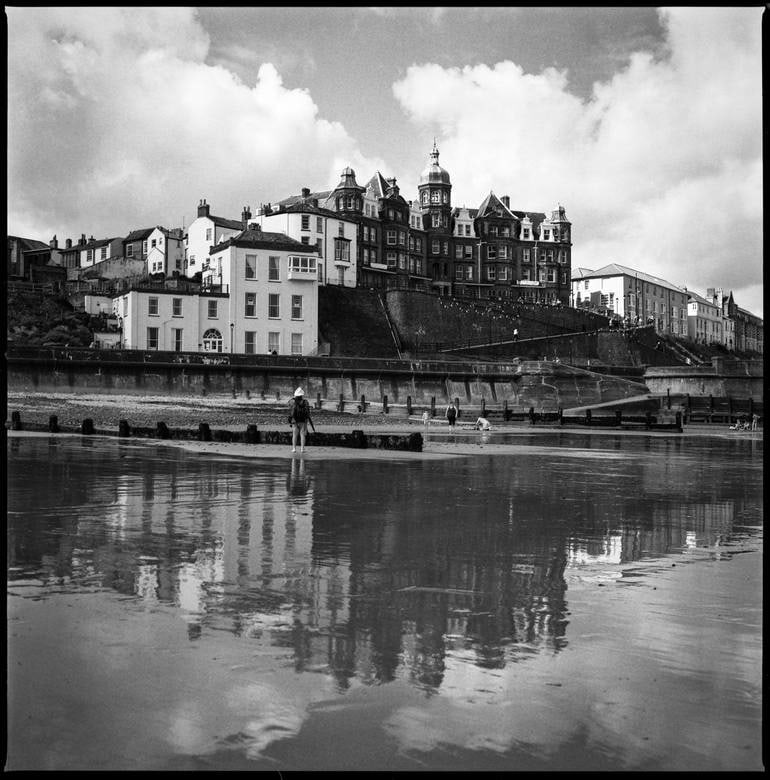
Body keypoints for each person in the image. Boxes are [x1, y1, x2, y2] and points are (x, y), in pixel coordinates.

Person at [288, 387, 314, 453]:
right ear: (302, 395)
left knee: (294, 435)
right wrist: (307, 420)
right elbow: (308, 412)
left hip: (294, 420)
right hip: (303, 420)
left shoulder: (292, 401)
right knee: (302, 434)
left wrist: (290, 420)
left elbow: (290, 409)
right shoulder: (305, 402)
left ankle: (294, 449)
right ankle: (302, 449)